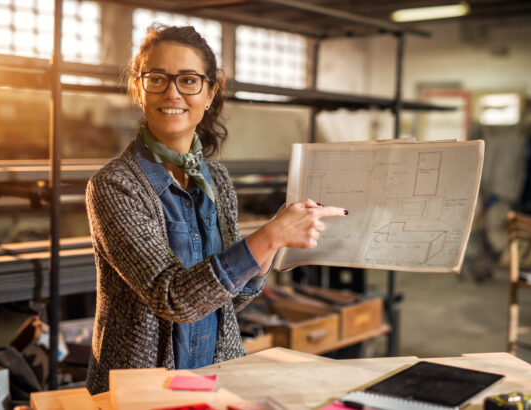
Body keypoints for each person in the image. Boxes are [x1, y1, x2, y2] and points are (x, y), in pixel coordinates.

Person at [84, 23, 346, 394]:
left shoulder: (216, 179)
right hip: (140, 388)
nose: (172, 93)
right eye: (157, 78)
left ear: (210, 93)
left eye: (189, 80)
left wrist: (270, 244)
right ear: (138, 89)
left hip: (217, 375)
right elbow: (172, 297)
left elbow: (232, 297)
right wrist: (268, 236)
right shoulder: (114, 186)